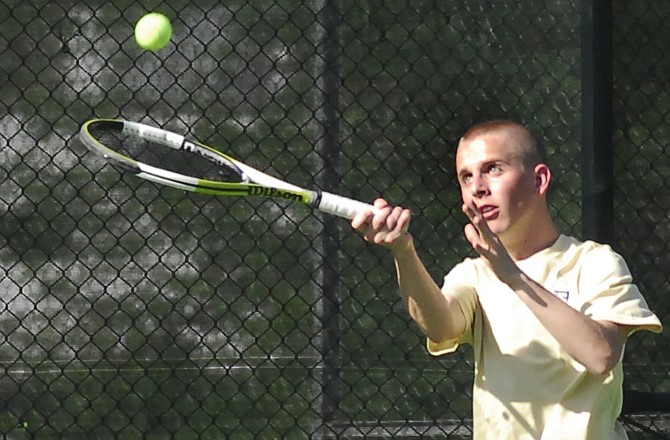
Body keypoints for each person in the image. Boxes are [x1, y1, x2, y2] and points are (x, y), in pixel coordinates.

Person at [351, 120, 662, 439]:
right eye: (466, 176)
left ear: (539, 180)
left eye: (493, 169)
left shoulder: (595, 263)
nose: (477, 187)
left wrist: (514, 276)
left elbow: (601, 356)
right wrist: (403, 251)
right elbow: (440, 325)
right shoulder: (473, 274)